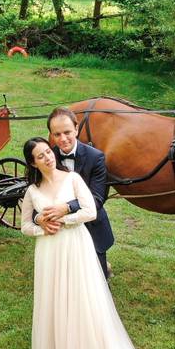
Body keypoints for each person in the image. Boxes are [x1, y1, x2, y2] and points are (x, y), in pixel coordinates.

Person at [19, 137, 175, 349]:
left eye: (47, 153)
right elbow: (25, 225)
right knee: (53, 299)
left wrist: (64, 220)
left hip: (75, 244)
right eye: (40, 156)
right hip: (48, 252)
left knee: (80, 298)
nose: (47, 158)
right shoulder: (32, 191)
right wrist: (41, 226)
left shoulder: (73, 179)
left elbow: (89, 211)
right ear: (33, 162)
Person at [38, 107, 115, 280]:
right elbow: (38, 194)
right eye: (57, 134)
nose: (63, 139)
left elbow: (97, 199)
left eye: (67, 132)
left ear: (76, 129)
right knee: (66, 278)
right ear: (50, 134)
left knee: (98, 280)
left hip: (91, 226)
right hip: (60, 231)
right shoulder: (49, 158)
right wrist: (40, 219)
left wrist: (66, 207)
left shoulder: (96, 158)